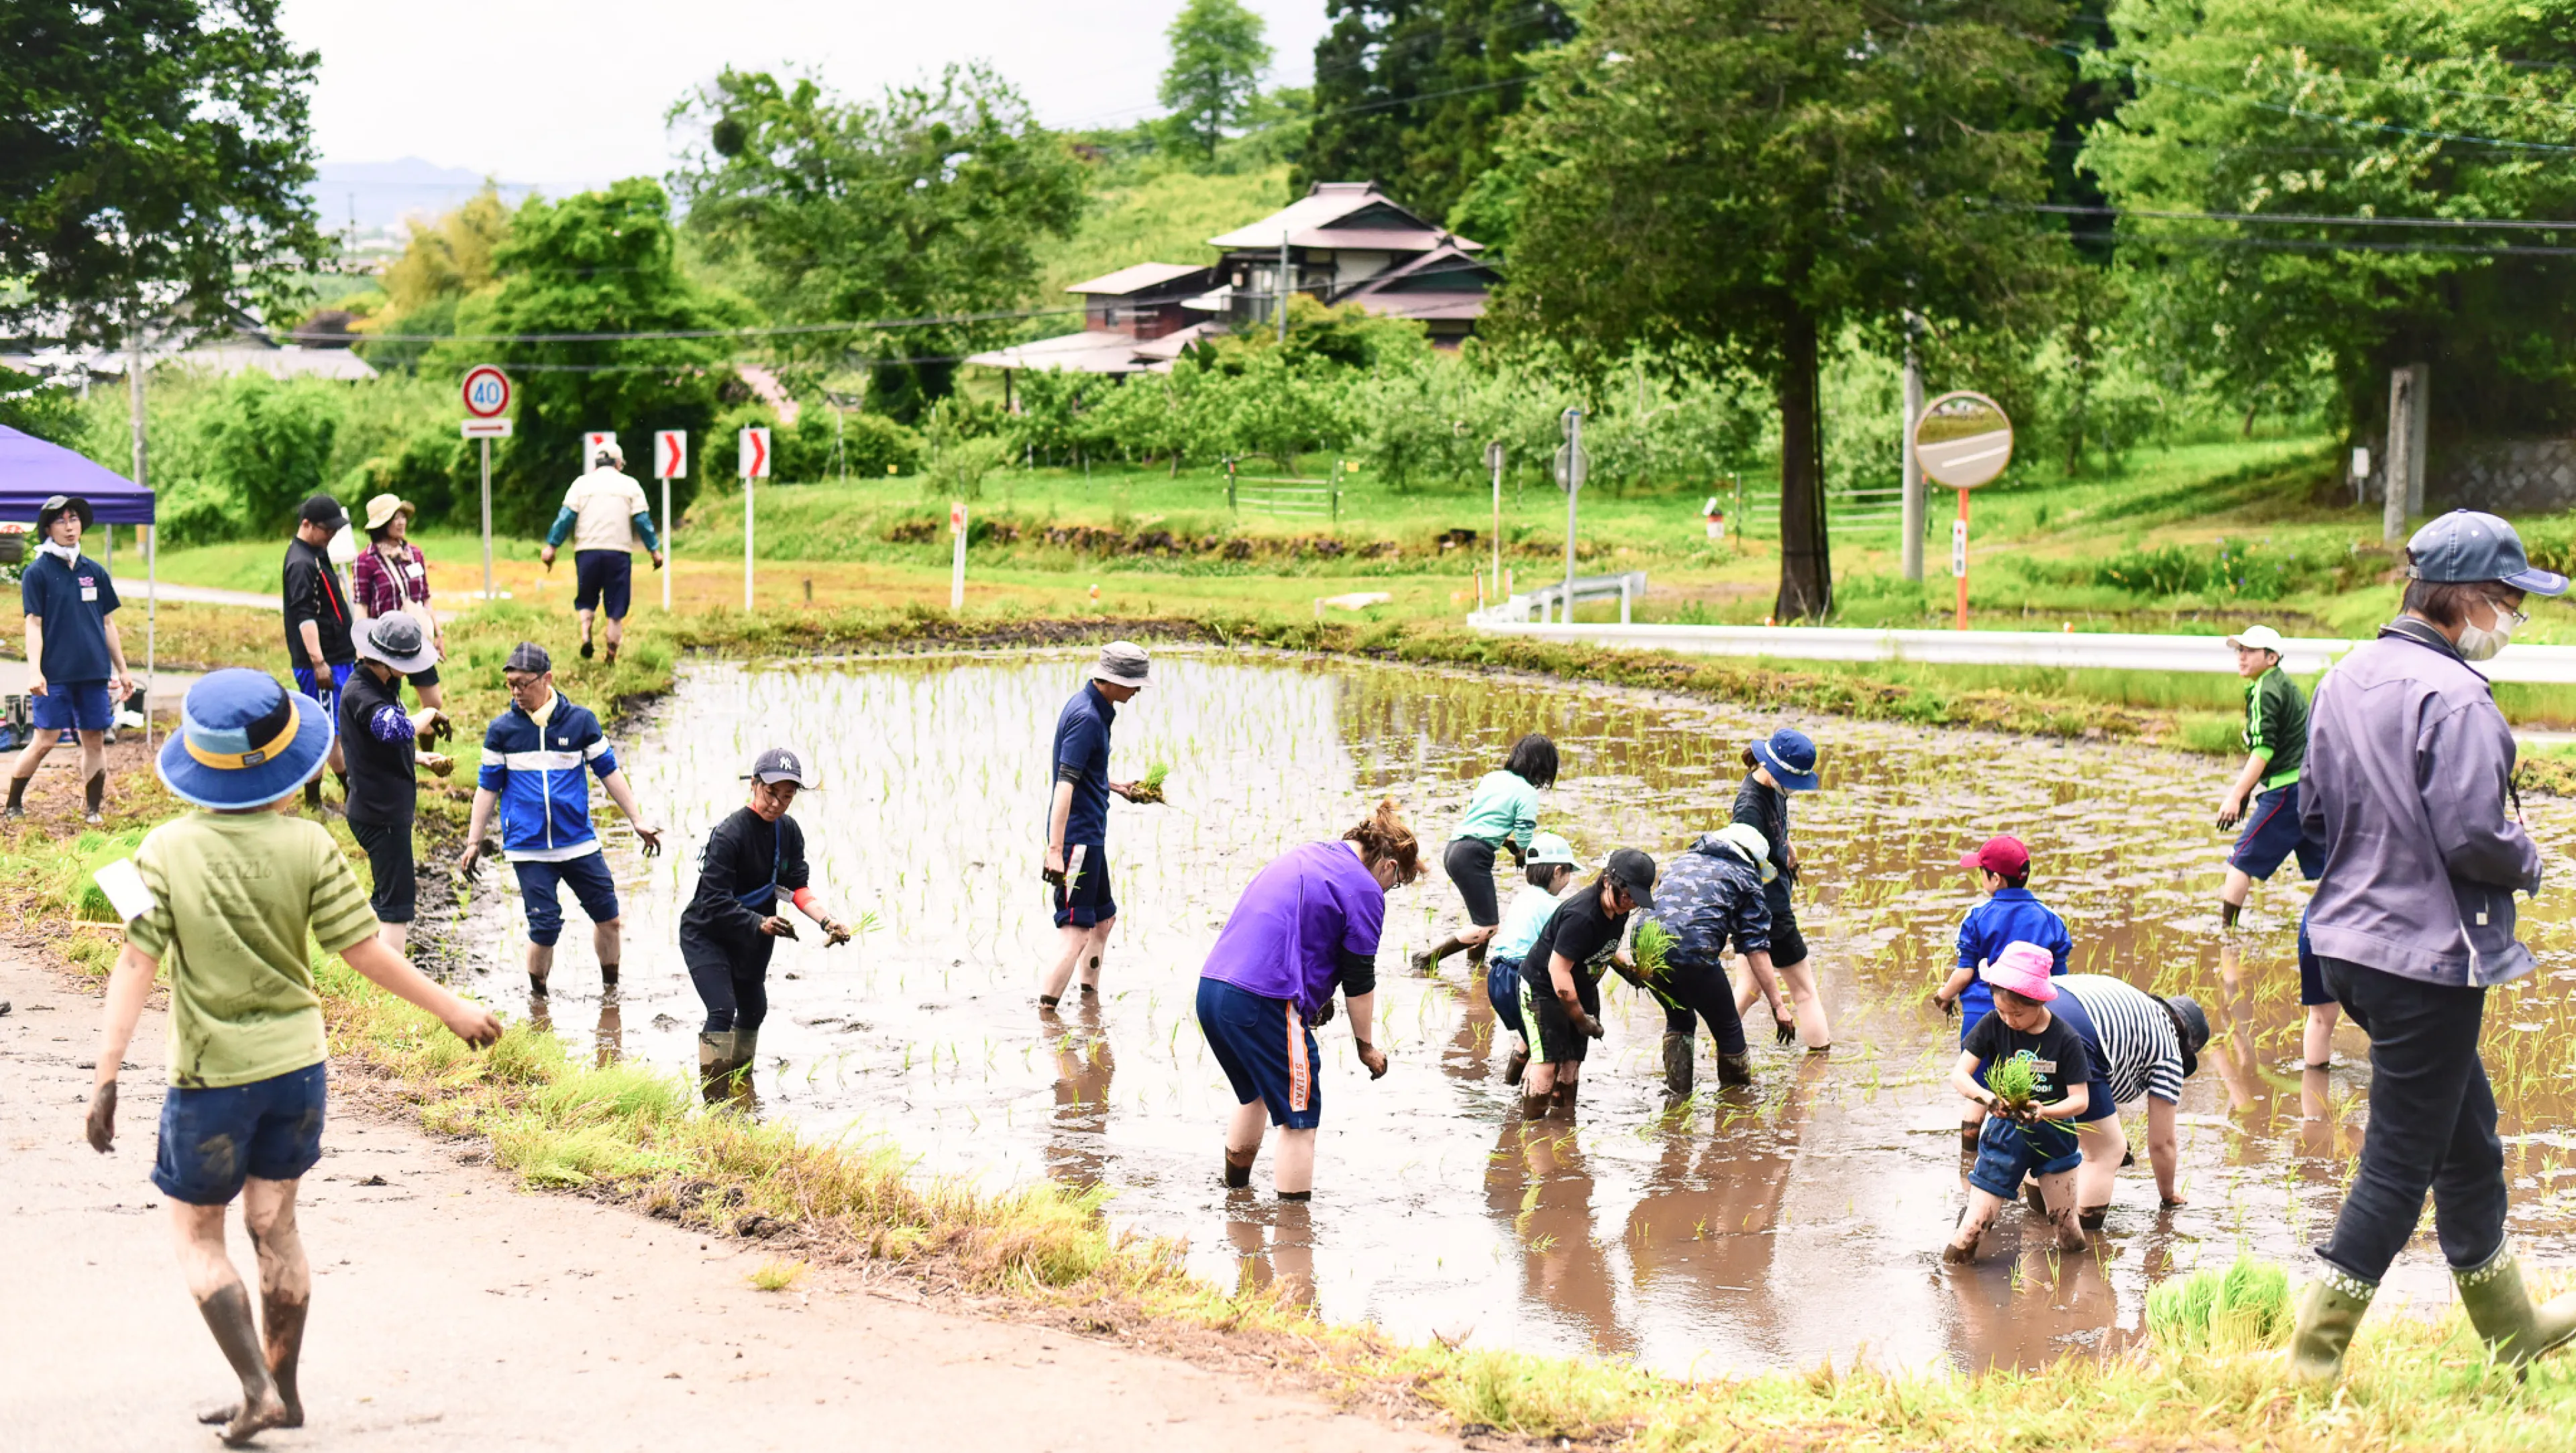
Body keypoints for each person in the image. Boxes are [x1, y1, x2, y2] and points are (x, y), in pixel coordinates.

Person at [81, 668, 500, 1448]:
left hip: (211, 1077)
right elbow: (364, 950)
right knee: (275, 1224)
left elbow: (135, 966)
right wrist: (455, 1010)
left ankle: (254, 1389)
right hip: (297, 1070)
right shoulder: (309, 844)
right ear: (287, 763)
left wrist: (106, 1080)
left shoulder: (164, 850)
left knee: (198, 1235)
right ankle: (286, 1387)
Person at [2286, 509, 2576, 1384]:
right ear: (2473, 600)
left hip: (2347, 946)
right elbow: (2477, 837)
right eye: (2512, 603)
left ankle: (2513, 1326)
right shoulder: (2457, 699)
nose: (2514, 622)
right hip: (2425, 961)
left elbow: (2311, 817)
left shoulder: (2346, 677)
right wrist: (2532, 852)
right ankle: (2313, 1362)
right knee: (2397, 1167)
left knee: (2470, 1137)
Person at [1194, 798, 1415, 1199]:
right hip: (1263, 1000)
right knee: (1300, 1122)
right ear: (1390, 866)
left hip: (1213, 989)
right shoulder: (1366, 888)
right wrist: (1366, 1046)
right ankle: (1296, 1234)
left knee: (1255, 1094)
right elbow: (1359, 978)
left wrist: (1314, 997)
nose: (1388, 891)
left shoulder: (1309, 853)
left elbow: (1296, 934)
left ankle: (1235, 1195)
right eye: (1396, 884)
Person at [460, 642, 664, 998]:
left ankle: (611, 992)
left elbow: (609, 772)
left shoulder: (580, 722)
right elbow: (487, 788)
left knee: (609, 919)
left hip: (579, 842)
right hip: (529, 847)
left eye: (523, 683)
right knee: (544, 928)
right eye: (510, 684)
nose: (516, 692)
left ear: (547, 679)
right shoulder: (502, 731)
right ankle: (539, 1001)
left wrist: (637, 819)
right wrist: (473, 841)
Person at [681, 747, 855, 1094]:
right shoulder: (730, 834)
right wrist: (759, 923)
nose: (776, 804)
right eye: (770, 793)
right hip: (709, 932)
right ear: (754, 786)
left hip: (754, 937)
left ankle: (741, 1086)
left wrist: (827, 921)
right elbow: (714, 900)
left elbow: (796, 888)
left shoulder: (787, 832)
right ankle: (714, 1102)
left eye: (787, 797)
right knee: (722, 1009)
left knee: (754, 1009)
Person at [1943, 942, 2094, 1263]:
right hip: (2005, 1133)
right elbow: (1960, 1075)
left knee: (2067, 1227)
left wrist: (2045, 1111)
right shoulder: (1992, 1024)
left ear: (2039, 1001)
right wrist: (1987, 1098)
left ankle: (2077, 1288)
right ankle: (1953, 1278)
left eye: (2018, 1014)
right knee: (1972, 1226)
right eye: (2002, 1011)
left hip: (2054, 1134)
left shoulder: (2065, 1039)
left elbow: (2080, 1100)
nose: (2009, 1020)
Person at [1937, 834, 2073, 1149]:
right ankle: (2028, 1159)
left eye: (1981, 871)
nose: (1980, 877)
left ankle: (1969, 1157)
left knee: (1979, 1086)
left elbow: (1966, 971)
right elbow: (2063, 983)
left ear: (1995, 878)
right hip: (2031, 1016)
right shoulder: (2051, 920)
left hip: (1981, 1013)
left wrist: (1944, 996)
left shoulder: (1977, 916)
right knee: (2030, 1087)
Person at [1038, 641, 1152, 1010]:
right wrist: (1056, 850)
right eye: (1133, 683)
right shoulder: (1087, 718)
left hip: (1090, 839)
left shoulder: (1094, 709)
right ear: (1111, 680)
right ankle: (1046, 1016)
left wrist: (1118, 788)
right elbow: (1064, 785)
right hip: (1077, 844)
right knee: (1074, 933)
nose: (1137, 690)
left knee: (1103, 922)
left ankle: (1090, 1003)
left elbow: (1085, 774)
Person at [2045, 974, 2210, 1228]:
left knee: (2044, 1129)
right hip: (2078, 1029)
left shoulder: (2135, 1013)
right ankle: (2086, 1248)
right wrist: (2168, 1195)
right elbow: (2162, 1143)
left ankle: (2038, 1221)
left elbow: (2097, 1104)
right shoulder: (2169, 1049)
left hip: (2037, 1004)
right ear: (2186, 1047)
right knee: (2107, 1151)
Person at [8, 493, 133, 823]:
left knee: (94, 739)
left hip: (93, 672)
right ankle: (14, 802)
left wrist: (122, 669)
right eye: (61, 520)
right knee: (45, 740)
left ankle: (93, 811)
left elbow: (107, 622)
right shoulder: (38, 572)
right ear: (48, 528)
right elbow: (33, 624)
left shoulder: (95, 571)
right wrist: (35, 671)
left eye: (74, 519)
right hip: (55, 674)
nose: (69, 526)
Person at [1638, 824, 1787, 1097]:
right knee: (1728, 1027)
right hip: (1694, 951)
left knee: (1680, 1019)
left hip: (1645, 948)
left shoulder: (1683, 861)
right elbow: (1755, 948)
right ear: (1753, 860)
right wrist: (1779, 1006)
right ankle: (1736, 1105)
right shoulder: (1746, 877)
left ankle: (1677, 1098)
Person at [337, 616, 453, 959]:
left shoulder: (382, 687)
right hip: (380, 814)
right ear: (389, 662)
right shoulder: (363, 693)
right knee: (397, 905)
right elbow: (396, 730)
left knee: (386, 896)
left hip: (380, 808)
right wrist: (430, 713)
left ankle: (368, 963)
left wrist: (418, 759)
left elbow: (374, 744)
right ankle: (390, 986)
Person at [1516, 847, 1658, 1121]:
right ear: (1607, 882)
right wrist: (1579, 1017)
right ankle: (1529, 1131)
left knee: (1572, 1062)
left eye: (1636, 900)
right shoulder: (1582, 916)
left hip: (1581, 985)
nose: (1630, 903)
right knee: (1547, 1063)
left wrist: (1631, 970)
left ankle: (1562, 1127)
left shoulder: (1618, 909)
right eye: (1627, 896)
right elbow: (1557, 970)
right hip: (1545, 988)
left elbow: (1605, 947)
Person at [1413, 733, 1560, 975]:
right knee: (1488, 926)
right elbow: (1525, 828)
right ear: (1542, 767)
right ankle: (1427, 959)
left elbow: (1482, 815)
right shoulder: (1527, 792)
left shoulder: (1493, 778)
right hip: (1473, 855)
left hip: (1456, 848)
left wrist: (1504, 842)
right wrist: (1523, 853)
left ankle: (1475, 969)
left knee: (1482, 920)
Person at [1727, 727, 1829, 1049]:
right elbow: (1742, 862)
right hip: (1768, 909)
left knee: (1750, 987)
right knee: (1804, 992)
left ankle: (1721, 1045)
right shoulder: (1748, 807)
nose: (1793, 790)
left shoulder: (1772, 788)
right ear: (1771, 768)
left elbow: (1774, 835)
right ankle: (1820, 1058)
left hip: (1762, 907)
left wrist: (1788, 849)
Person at [2213, 623, 2320, 929]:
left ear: (2271, 658)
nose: (2242, 657)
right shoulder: (2278, 684)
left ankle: (2226, 936)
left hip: (2287, 789)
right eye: (2240, 651)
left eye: (2249, 651)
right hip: (2308, 786)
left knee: (2240, 859)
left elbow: (2263, 751)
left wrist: (2235, 795)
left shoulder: (2266, 690)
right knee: (2329, 869)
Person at [539, 443, 663, 665]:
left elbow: (565, 518)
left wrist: (552, 546)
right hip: (618, 553)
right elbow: (643, 521)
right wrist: (654, 550)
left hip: (587, 551)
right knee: (616, 606)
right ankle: (611, 655)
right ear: (618, 463)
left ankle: (586, 635)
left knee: (587, 597)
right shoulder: (630, 485)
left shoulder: (581, 484)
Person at [1482, 831, 1584, 1087]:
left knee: (1532, 1036)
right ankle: (1528, 1110)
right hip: (1522, 979)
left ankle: (1510, 1085)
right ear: (1558, 871)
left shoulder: (1523, 897)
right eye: (1569, 872)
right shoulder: (1553, 906)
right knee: (1547, 1053)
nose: (1568, 880)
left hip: (1497, 976)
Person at [282, 494, 358, 812]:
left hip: (339, 657)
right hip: (322, 664)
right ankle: (328, 799)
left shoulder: (316, 553)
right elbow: (304, 615)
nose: (332, 536)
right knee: (328, 733)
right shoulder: (300, 563)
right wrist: (319, 662)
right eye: (327, 530)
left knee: (335, 728)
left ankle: (343, 793)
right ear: (307, 525)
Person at [348, 492, 446, 710]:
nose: (401, 522)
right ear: (381, 524)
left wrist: (438, 634)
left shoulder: (415, 554)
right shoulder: (365, 561)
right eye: (395, 518)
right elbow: (361, 604)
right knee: (387, 702)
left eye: (403, 516)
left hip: (416, 637)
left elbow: (425, 598)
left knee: (434, 704)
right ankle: (397, 743)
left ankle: (426, 744)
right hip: (384, 643)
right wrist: (361, 649)